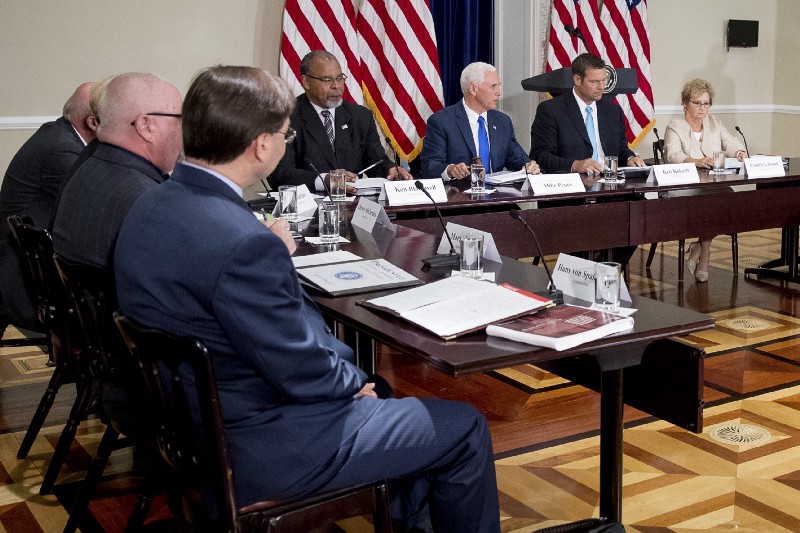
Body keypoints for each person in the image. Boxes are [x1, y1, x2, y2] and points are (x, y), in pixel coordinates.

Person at [114, 65, 500, 533]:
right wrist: (353, 383)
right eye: (284, 133)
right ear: (261, 145)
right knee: (464, 426)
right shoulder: (242, 242)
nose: (285, 141)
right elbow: (298, 366)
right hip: (262, 441)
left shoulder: (149, 203)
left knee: (388, 398)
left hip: (188, 427)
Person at [51, 72, 183, 268]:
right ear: (145, 126)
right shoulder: (147, 199)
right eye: (178, 119)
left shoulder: (88, 165)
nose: (184, 129)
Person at [0, 82, 96, 333]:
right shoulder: (62, 149)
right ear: (93, 122)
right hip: (22, 278)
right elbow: (92, 203)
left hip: (23, 262)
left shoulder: (58, 134)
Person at [269, 50, 412, 193]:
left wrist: (391, 169)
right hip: (308, 208)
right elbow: (279, 174)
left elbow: (376, 160)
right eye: (327, 80)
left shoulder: (360, 116)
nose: (336, 86)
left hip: (356, 205)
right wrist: (325, 180)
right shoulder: (285, 118)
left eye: (339, 78)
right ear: (306, 82)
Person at [663, 78, 746, 282]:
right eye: (696, 102)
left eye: (706, 103)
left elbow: (730, 142)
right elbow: (673, 155)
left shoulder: (714, 123)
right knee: (717, 199)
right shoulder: (675, 127)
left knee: (727, 198)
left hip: (712, 187)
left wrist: (740, 152)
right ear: (685, 103)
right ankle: (705, 255)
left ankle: (701, 247)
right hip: (683, 189)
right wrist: (695, 161)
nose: (702, 108)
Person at [421, 62, 540, 179]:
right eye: (493, 86)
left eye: (499, 86)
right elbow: (429, 166)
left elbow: (517, 159)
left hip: (497, 196)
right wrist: (450, 170)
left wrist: (529, 166)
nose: (498, 92)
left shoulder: (502, 121)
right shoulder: (442, 121)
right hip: (459, 194)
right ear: (473, 89)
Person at [530, 53, 646, 174]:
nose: (601, 87)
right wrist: (574, 165)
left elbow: (621, 149)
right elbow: (540, 155)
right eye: (594, 82)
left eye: (603, 80)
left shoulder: (613, 111)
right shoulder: (551, 110)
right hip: (574, 184)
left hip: (611, 182)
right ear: (577, 80)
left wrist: (630, 158)